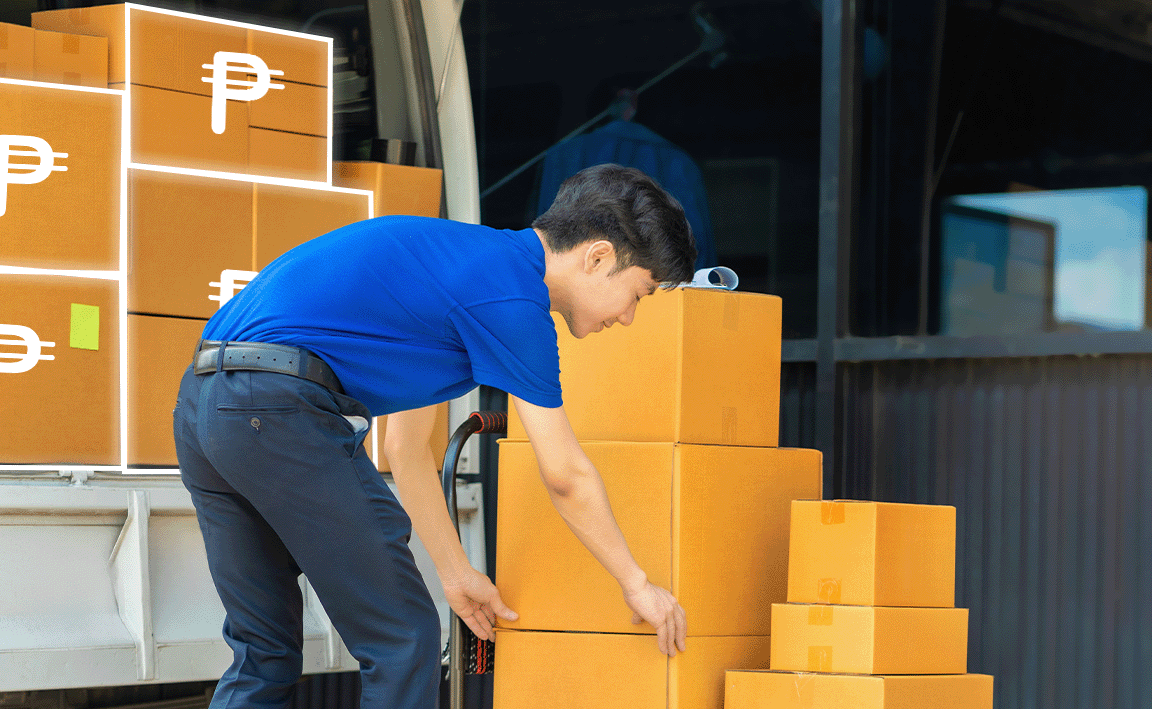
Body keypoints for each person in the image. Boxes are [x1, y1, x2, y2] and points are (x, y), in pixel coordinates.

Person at [172, 163, 697, 708]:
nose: (631, 317)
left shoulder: (460, 262)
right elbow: (566, 475)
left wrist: (454, 571)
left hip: (206, 405)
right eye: (641, 293)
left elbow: (406, 448)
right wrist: (637, 584)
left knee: (265, 650)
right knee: (405, 641)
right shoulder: (513, 299)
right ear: (599, 257)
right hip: (275, 409)